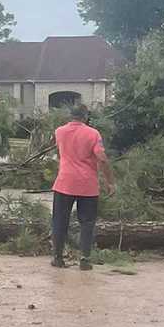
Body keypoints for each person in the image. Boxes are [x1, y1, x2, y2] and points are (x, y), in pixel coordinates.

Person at [50, 104, 116, 270]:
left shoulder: (59, 132)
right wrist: (110, 182)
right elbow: (102, 158)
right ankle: (85, 259)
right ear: (86, 117)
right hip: (88, 185)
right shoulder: (93, 134)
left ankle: (58, 257)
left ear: (71, 116)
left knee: (59, 221)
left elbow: (60, 153)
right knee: (87, 222)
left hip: (64, 183)